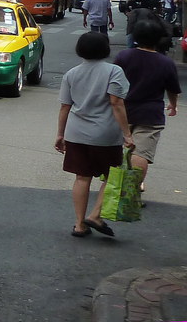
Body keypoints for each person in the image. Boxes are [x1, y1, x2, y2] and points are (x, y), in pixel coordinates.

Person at [56, 31, 134, 238]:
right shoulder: (114, 71)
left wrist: (60, 134)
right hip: (104, 134)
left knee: (82, 177)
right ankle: (95, 215)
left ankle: (79, 224)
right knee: (111, 176)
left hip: (76, 133)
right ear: (105, 49)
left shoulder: (71, 74)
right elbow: (116, 103)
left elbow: (65, 107)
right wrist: (127, 133)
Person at [114, 20, 180, 194]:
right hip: (150, 114)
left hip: (122, 110)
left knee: (120, 148)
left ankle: (115, 186)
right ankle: (132, 189)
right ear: (158, 39)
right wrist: (173, 105)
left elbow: (113, 83)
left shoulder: (123, 56)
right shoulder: (166, 63)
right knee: (141, 153)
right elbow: (172, 89)